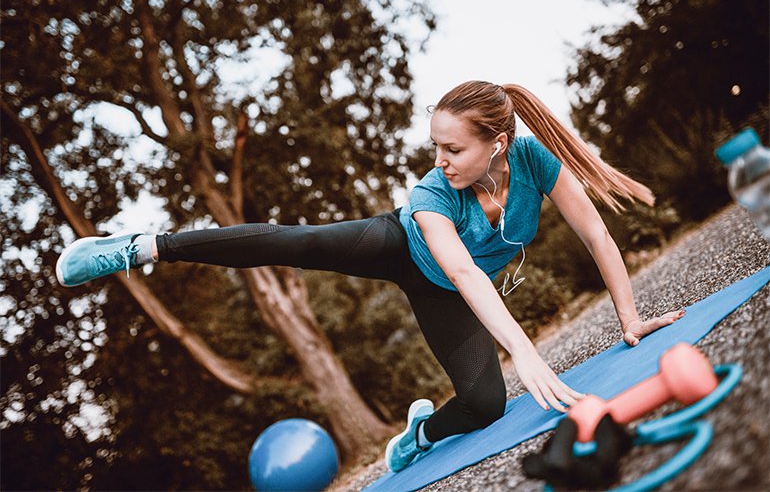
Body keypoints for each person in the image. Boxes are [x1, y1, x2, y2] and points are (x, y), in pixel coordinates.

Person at [55, 81, 685, 472]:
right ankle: (142, 246)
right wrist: (524, 349)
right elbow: (464, 270)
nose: (440, 159)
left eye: (453, 148)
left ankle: (418, 434)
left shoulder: (533, 161)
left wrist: (629, 319)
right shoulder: (434, 193)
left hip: (444, 292)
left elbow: (597, 234)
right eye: (435, 145)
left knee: (487, 406)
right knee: (287, 241)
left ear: (496, 144)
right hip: (398, 247)